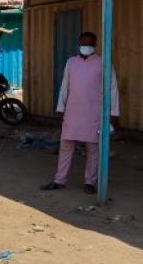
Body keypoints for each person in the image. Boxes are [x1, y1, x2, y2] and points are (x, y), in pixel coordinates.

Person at [41, 31, 119, 194]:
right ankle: (59, 180)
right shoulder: (71, 62)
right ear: (79, 44)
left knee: (93, 149)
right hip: (72, 111)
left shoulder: (103, 63)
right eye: (83, 44)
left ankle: (89, 182)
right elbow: (65, 85)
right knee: (66, 146)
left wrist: (113, 113)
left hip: (94, 113)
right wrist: (60, 108)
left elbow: (112, 88)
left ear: (95, 45)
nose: (86, 47)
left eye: (89, 44)